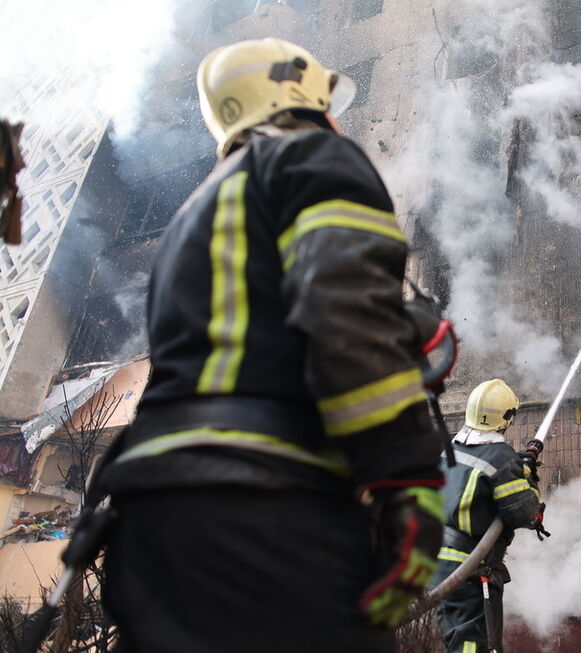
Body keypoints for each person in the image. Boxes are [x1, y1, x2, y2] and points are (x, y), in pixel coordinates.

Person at [101, 38, 444, 652]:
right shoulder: (312, 156)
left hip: (153, 522)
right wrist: (406, 476)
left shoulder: (192, 217)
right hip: (269, 514)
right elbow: (345, 313)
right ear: (299, 93)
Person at [432, 379, 542, 653]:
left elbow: (481, 480)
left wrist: (520, 468)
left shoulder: (450, 449)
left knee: (456, 635)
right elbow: (524, 512)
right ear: (505, 417)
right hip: (470, 569)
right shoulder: (501, 458)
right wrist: (528, 479)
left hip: (439, 563)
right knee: (474, 642)